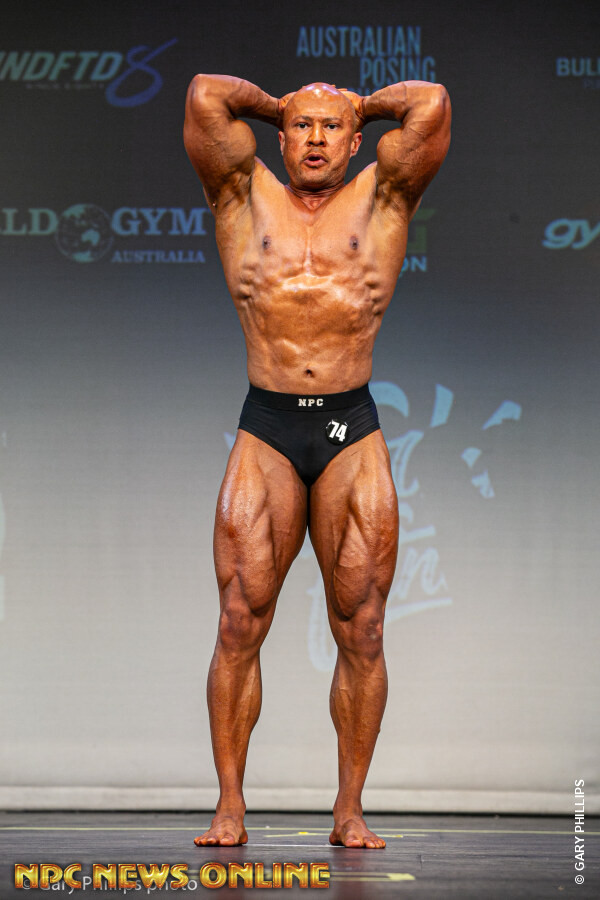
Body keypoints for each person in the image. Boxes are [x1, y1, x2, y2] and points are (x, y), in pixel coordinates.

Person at [183, 74, 451, 849]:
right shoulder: (242, 193)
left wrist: (353, 103)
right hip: (268, 425)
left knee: (363, 627)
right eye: (300, 126)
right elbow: (204, 95)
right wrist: (284, 104)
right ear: (278, 136)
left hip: (349, 428)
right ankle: (230, 806)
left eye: (332, 127)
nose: (315, 138)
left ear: (358, 140)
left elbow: (431, 104)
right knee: (239, 619)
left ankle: (349, 809)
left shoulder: (382, 197)